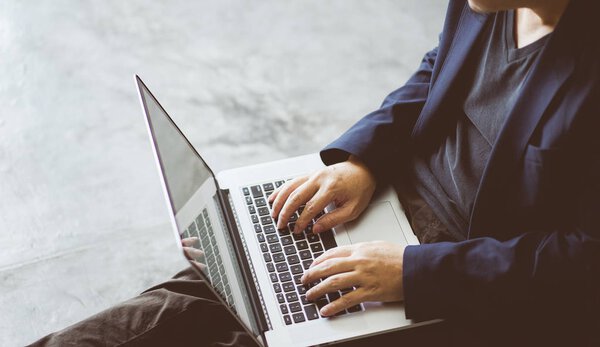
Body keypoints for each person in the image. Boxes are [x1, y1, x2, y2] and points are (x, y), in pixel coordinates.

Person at [30, 0, 599, 345]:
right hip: (388, 208)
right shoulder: (487, 6)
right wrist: (362, 161)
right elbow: (436, 72)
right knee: (202, 293)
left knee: (253, 335)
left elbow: (585, 257)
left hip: (464, 269)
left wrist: (415, 272)